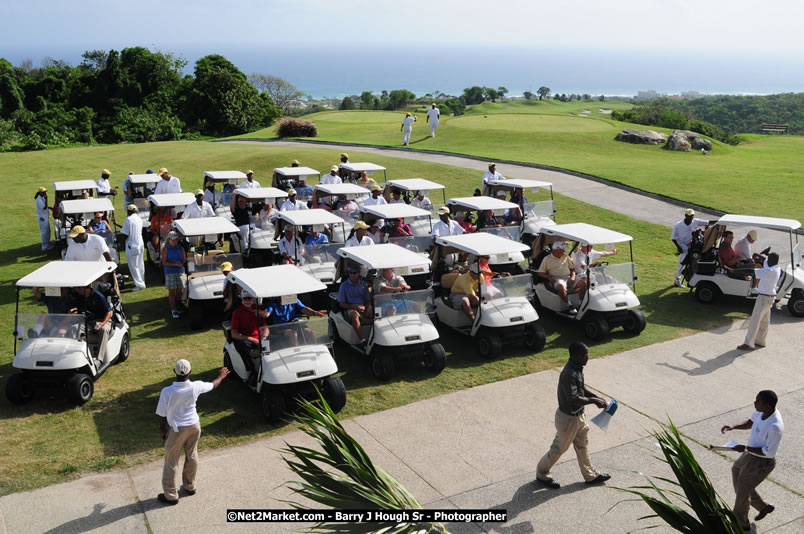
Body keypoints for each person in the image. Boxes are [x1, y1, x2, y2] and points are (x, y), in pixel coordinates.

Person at [536, 342, 611, 489]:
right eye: (584, 355)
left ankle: (591, 476)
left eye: (587, 354)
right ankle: (542, 473)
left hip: (579, 417)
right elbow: (574, 399)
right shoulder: (568, 374)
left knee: (583, 445)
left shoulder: (577, 368)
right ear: (574, 355)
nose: (587, 357)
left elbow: (581, 388)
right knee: (559, 449)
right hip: (568, 420)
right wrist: (593, 401)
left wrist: (596, 397)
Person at [155, 359, 229, 505]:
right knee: (192, 454)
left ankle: (170, 495)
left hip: (177, 429)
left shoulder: (167, 391)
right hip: (194, 426)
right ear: (190, 372)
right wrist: (221, 376)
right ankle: (189, 486)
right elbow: (213, 385)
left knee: (171, 460)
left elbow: (162, 415)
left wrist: (162, 430)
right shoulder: (196, 386)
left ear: (174, 372)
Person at [720, 390, 783, 531]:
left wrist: (746, 449)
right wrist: (733, 427)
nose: (754, 403)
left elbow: (768, 452)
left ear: (767, 406)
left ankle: (741, 523)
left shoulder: (775, 427)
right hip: (750, 454)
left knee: (742, 489)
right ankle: (763, 507)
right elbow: (751, 422)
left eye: (758, 402)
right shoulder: (762, 412)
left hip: (762, 462)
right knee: (736, 470)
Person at [737, 253, 781, 351]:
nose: (766, 261)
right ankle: (760, 341)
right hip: (770, 298)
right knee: (764, 321)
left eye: (768, 260)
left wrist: (736, 269)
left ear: (771, 261)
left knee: (755, 321)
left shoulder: (770, 271)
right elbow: (765, 261)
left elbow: (753, 271)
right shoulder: (776, 267)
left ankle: (749, 343)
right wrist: (759, 256)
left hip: (764, 298)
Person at [230, 295, 269, 385]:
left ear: (253, 299)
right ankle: (251, 371)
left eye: (249, 298)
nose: (247, 301)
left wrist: (264, 337)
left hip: (260, 337)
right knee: (243, 345)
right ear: (242, 299)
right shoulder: (237, 312)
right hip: (246, 338)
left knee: (275, 343)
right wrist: (252, 339)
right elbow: (234, 334)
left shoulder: (259, 310)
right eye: (245, 298)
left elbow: (265, 327)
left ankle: (269, 370)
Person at [537, 242, 584, 315]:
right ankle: (570, 305)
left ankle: (580, 303)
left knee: (583, 283)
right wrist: (549, 277)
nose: (564, 251)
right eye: (563, 250)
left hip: (568, 277)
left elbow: (572, 269)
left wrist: (573, 276)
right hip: (557, 279)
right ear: (557, 250)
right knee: (560, 287)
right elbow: (540, 272)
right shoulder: (546, 259)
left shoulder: (566, 257)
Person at [70, 285, 113, 364]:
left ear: (83, 288)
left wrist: (102, 323)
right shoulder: (80, 297)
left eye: (77, 288)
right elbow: (79, 310)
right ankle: (79, 355)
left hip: (103, 320)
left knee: (103, 330)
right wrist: (73, 311)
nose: (76, 290)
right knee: (74, 328)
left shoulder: (98, 296)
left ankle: (99, 360)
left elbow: (109, 312)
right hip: (89, 321)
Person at [671, 208, 711, 287]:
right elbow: (673, 238)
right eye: (689, 216)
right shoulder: (678, 225)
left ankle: (691, 277)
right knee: (682, 261)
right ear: (685, 216)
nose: (691, 217)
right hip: (682, 245)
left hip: (691, 244)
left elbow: (708, 222)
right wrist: (678, 247)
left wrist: (722, 220)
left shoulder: (695, 221)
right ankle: (677, 279)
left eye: (692, 216)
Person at [337, 264, 372, 344]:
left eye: (354, 273)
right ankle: (362, 340)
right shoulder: (343, 286)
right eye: (350, 273)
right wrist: (354, 307)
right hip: (350, 308)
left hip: (363, 307)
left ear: (359, 273)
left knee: (374, 312)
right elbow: (341, 304)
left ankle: (374, 336)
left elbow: (368, 300)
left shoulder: (363, 284)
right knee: (354, 315)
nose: (352, 275)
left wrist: (364, 307)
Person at [161, 231, 186, 319]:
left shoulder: (180, 248)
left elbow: (183, 259)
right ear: (169, 239)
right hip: (170, 272)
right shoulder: (165, 249)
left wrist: (179, 265)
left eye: (176, 240)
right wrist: (176, 265)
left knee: (181, 290)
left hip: (180, 271)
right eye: (173, 240)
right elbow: (164, 262)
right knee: (172, 291)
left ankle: (176, 304)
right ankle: (173, 309)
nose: (175, 241)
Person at [120, 204, 146, 291]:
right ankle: (139, 281)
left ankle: (139, 285)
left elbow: (125, 234)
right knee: (140, 264)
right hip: (140, 244)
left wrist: (121, 244)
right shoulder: (139, 219)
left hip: (132, 245)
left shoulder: (129, 219)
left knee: (133, 266)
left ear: (129, 211)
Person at [35, 186, 53, 252]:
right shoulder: (39, 199)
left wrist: (50, 208)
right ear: (40, 192)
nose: (45, 193)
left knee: (48, 231)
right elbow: (44, 207)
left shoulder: (41, 198)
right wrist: (47, 199)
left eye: (45, 192)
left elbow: (46, 207)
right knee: (44, 232)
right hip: (42, 218)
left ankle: (47, 244)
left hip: (44, 217)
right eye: (44, 192)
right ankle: (44, 246)